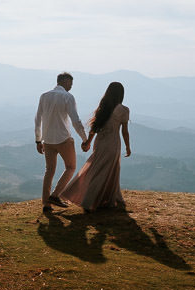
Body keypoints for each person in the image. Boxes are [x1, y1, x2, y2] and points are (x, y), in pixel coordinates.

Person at [60, 81, 132, 212]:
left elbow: (95, 127)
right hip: (113, 143)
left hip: (100, 142)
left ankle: (102, 197)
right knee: (108, 169)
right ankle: (91, 200)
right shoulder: (123, 110)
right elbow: (124, 131)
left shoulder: (103, 107)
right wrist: (128, 147)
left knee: (96, 168)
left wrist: (88, 142)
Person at [35, 72, 88, 214]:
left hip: (48, 140)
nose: (71, 86)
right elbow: (76, 121)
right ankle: (55, 195)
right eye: (70, 83)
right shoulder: (67, 97)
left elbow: (38, 119)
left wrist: (38, 140)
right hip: (64, 139)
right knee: (71, 167)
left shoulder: (44, 96)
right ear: (65, 81)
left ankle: (46, 204)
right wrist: (85, 139)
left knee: (49, 171)